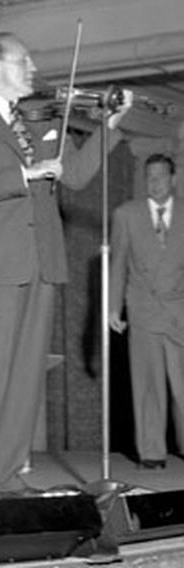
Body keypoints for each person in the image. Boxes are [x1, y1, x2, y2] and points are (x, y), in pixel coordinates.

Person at [0, 32, 131, 501]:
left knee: (24, 378)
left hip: (42, 262)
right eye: (24, 60)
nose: (33, 69)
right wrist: (24, 174)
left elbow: (76, 175)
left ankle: (1, 476)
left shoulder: (31, 123)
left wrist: (111, 125)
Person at [110, 154, 184, 470]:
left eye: (160, 176)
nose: (154, 183)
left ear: (174, 179)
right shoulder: (127, 214)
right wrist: (114, 307)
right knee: (147, 385)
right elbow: (118, 264)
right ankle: (152, 453)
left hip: (179, 311)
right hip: (142, 309)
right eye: (149, 177)